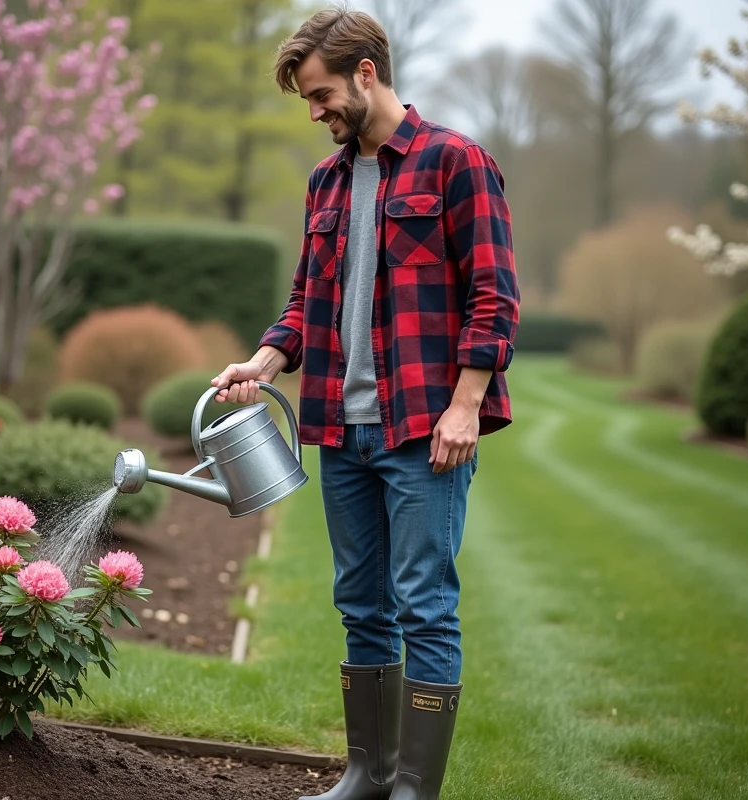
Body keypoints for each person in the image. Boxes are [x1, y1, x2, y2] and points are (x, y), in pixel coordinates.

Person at [211, 8, 519, 799]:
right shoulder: (327, 181)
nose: (316, 114)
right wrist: (263, 359)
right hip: (338, 432)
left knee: (424, 604)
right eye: (308, 102)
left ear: (367, 73)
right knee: (361, 604)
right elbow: (305, 299)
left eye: (320, 96)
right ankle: (367, 774)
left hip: (423, 428)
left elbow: (494, 297)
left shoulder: (457, 163)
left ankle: (414, 786)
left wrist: (466, 405)